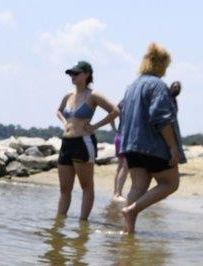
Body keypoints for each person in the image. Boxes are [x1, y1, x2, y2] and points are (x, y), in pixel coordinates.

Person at [118, 44, 185, 233]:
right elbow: (161, 118)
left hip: (131, 145)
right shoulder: (158, 86)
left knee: (138, 187)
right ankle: (131, 210)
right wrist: (173, 148)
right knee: (170, 183)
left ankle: (128, 232)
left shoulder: (132, 86)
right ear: (162, 64)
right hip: (153, 146)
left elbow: (121, 110)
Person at [55, 61, 119, 221]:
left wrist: (95, 126)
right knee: (64, 189)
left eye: (76, 73)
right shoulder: (68, 95)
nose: (72, 76)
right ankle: (59, 222)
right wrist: (64, 122)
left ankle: (83, 223)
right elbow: (59, 110)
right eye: (71, 73)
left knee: (86, 186)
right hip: (66, 143)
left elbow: (115, 111)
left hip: (83, 143)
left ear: (86, 75)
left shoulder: (93, 95)